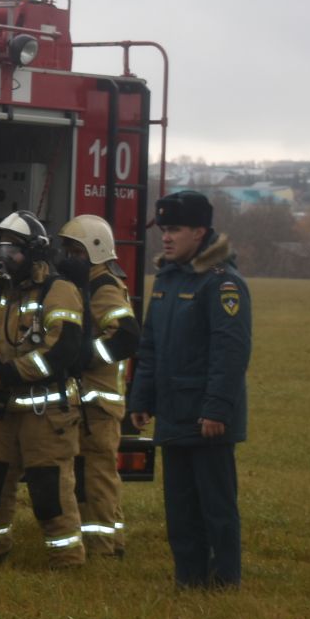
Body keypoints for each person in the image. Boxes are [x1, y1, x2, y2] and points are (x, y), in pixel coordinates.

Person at [128, 190, 251, 590]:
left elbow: (230, 352)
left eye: (175, 229)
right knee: (179, 506)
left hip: (207, 419)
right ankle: (189, 578)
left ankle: (224, 580)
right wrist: (142, 398)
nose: (166, 237)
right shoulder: (166, 280)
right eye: (163, 229)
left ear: (200, 232)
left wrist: (216, 409)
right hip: (174, 412)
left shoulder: (222, 284)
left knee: (215, 505)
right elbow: (149, 348)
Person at [0, 210, 88, 569]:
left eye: (13, 250)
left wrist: (7, 374)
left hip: (46, 413)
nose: (4, 257)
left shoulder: (59, 291)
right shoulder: (1, 294)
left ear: (35, 253)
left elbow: (62, 349)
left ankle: (66, 561)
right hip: (3, 411)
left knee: (49, 491)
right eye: (1, 248)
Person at [58, 214, 141, 558]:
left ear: (93, 250)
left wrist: (87, 356)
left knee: (99, 478)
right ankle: (111, 542)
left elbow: (126, 336)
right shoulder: (90, 282)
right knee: (95, 475)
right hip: (91, 401)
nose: (67, 257)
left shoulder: (103, 286)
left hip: (99, 403)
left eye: (74, 250)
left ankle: (103, 548)